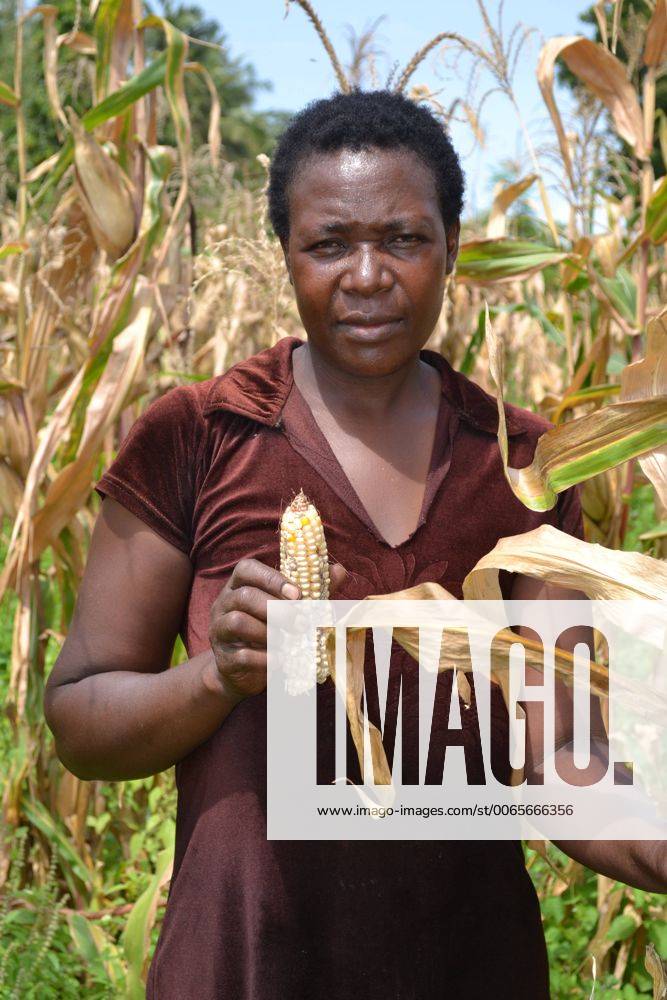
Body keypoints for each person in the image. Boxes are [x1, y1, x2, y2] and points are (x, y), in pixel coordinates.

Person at [44, 90, 665, 999]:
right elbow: (81, 720)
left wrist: (652, 839)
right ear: (286, 256)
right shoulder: (199, 434)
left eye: (404, 239)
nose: (366, 275)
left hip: (466, 959)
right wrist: (219, 673)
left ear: (454, 247)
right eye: (328, 243)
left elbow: (559, 746)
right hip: (247, 962)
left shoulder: (523, 462)